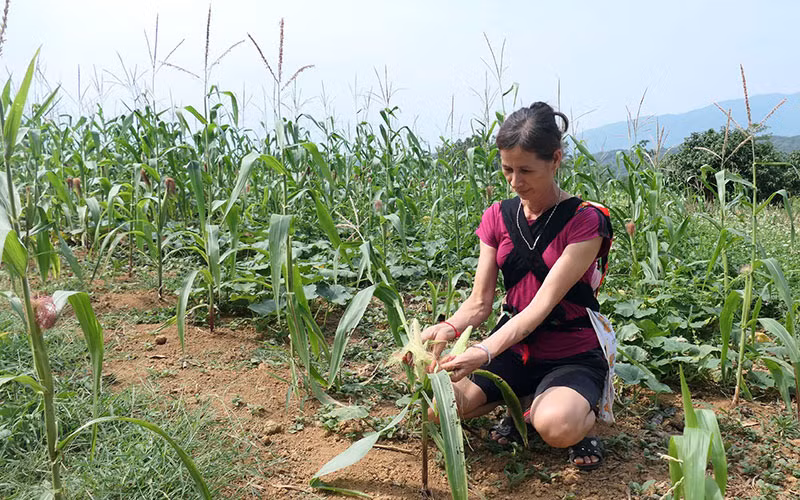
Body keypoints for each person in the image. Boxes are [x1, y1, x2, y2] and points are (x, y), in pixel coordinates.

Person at [421, 101, 614, 470]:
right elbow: (480, 302)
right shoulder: (498, 216)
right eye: (507, 169)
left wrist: (482, 352)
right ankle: (523, 398)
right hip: (514, 349)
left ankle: (581, 420)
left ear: (555, 160)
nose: (515, 181)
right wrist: (446, 328)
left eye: (526, 170)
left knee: (557, 427)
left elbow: (540, 308)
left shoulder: (585, 221)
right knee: (439, 407)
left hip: (570, 350)